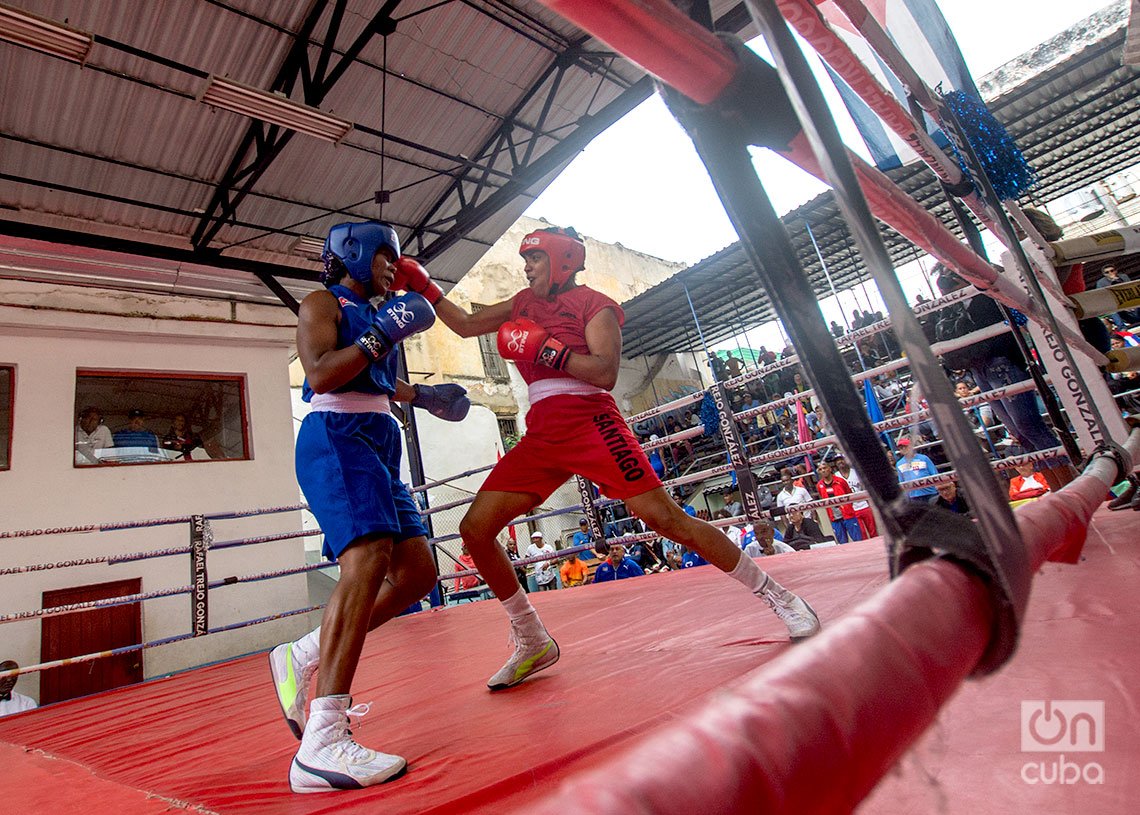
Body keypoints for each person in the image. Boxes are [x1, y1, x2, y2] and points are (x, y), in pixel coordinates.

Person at [397, 224, 818, 690]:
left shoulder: (594, 305)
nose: (527, 266)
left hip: (593, 422)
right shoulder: (521, 303)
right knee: (475, 529)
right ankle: (532, 637)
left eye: (534, 258)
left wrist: (549, 351)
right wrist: (422, 284)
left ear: (560, 260)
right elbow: (464, 323)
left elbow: (605, 372)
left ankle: (776, 595)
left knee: (666, 519)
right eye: (526, 259)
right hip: (543, 431)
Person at [267, 221, 471, 793]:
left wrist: (424, 396)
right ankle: (321, 744)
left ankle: (302, 654)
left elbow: (373, 375)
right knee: (368, 559)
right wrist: (381, 333)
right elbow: (322, 372)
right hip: (337, 432)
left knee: (416, 573)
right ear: (351, 254)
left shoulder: (383, 313)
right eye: (383, 256)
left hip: (381, 433)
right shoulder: (319, 303)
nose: (391, 267)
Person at [934, 266, 1061, 455]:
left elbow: (1020, 318)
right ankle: (1054, 472)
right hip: (979, 367)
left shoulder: (991, 295)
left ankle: (1065, 469)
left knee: (1027, 424)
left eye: (952, 279)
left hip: (1003, 361)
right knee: (1017, 430)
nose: (947, 286)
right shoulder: (953, 308)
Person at [815, 460, 862, 544]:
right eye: (820, 469)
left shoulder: (840, 481)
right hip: (834, 518)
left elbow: (849, 495)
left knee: (858, 540)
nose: (823, 470)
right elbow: (823, 498)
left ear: (829, 469)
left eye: (825, 468)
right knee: (842, 543)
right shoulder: (819, 485)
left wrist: (846, 508)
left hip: (848, 515)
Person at [835, 458, 876, 538]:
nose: (840, 462)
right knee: (861, 534)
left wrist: (869, 502)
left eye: (842, 459)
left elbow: (865, 487)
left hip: (864, 505)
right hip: (852, 509)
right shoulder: (836, 476)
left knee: (873, 531)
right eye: (837, 460)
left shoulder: (856, 472)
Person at [895, 437, 939, 502]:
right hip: (913, 495)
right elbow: (901, 481)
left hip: (930, 492)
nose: (904, 449)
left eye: (905, 446)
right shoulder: (899, 464)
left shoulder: (924, 458)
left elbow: (934, 473)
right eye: (901, 448)